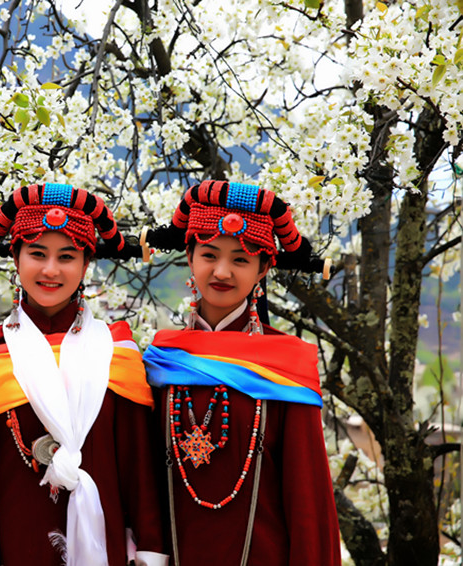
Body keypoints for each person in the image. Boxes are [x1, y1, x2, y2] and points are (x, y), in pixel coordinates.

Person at [0, 182, 168, 566]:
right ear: (15, 258)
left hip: (106, 547)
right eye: (37, 254)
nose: (50, 270)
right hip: (12, 549)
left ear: (85, 265)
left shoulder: (115, 350)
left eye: (66, 257)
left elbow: (140, 471)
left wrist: (150, 550)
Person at [140, 180, 340, 566]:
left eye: (241, 260)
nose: (222, 271)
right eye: (209, 254)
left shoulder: (284, 366)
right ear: (189, 257)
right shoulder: (161, 361)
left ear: (264, 268)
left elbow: (308, 501)